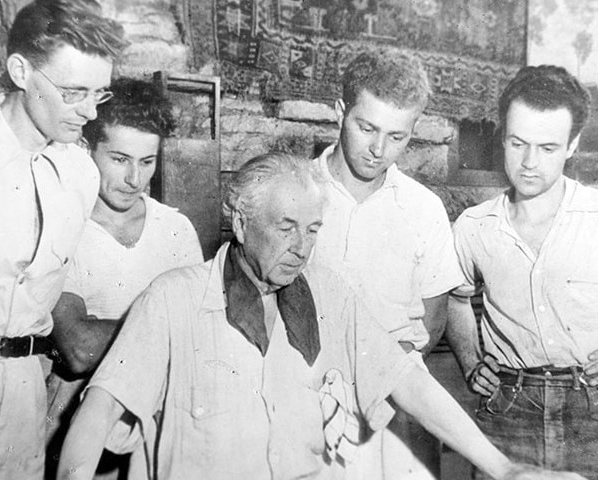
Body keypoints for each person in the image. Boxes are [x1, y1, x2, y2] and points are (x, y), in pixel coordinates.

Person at [56, 153, 585, 480]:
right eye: (286, 226)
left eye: (313, 230)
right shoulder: (174, 300)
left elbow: (408, 382)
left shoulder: (327, 295)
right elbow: (95, 419)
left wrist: (505, 467)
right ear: (240, 221)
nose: (301, 247)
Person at [311, 51, 463, 478]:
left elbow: (433, 320)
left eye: (397, 136)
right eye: (366, 127)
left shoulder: (424, 209)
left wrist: (388, 371)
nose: (378, 150)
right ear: (340, 112)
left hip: (400, 403)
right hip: (309, 392)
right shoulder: (297, 191)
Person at [44, 78, 203, 479]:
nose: (135, 177)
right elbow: (77, 347)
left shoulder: (176, 229)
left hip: (157, 424)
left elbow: (201, 338)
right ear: (88, 148)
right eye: (119, 159)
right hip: (71, 418)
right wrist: (166, 327)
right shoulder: (66, 227)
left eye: (147, 161)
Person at [446, 65, 597, 479]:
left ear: (572, 145)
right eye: (518, 143)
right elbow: (456, 298)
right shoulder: (473, 226)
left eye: (548, 148)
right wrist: (471, 361)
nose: (529, 163)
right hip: (509, 407)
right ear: (502, 137)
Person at [0, 1, 125, 477]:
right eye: (74, 93)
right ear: (21, 71)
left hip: (25, 394)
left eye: (100, 94)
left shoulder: (80, 174)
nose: (90, 112)